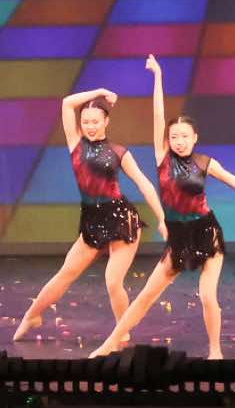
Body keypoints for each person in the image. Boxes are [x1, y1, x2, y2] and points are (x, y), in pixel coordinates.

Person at [89, 56, 235, 359]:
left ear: (195, 138)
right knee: (146, 296)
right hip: (179, 238)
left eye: (184, 137)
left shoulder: (206, 163)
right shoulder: (162, 159)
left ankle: (215, 350)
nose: (179, 141)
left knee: (207, 296)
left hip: (207, 233)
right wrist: (158, 76)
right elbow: (158, 114)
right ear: (168, 140)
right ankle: (109, 343)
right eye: (174, 137)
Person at [12, 85, 167, 343]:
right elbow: (67, 103)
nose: (90, 126)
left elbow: (145, 185)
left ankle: (122, 332)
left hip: (121, 220)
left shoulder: (118, 152)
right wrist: (100, 91)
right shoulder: (76, 145)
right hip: (93, 221)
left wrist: (161, 218)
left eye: (95, 121)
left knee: (112, 281)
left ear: (106, 121)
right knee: (65, 273)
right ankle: (32, 315)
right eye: (85, 122)